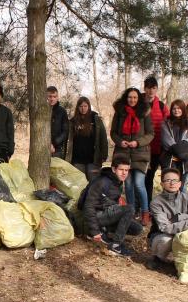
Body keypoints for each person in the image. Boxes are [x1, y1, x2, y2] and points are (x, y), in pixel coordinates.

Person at [80, 156, 143, 257]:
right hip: (96, 217)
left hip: (106, 214)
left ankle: (106, 233)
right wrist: (94, 231)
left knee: (137, 228)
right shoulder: (102, 182)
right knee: (129, 208)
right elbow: (88, 206)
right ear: (114, 169)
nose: (124, 173)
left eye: (126, 170)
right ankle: (115, 245)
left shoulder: (117, 182)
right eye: (121, 170)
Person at [110, 87, 154, 226]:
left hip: (140, 154)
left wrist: (138, 142)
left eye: (135, 97)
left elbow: (150, 134)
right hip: (123, 154)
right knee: (128, 185)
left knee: (139, 184)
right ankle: (131, 211)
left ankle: (145, 213)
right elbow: (113, 132)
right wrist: (120, 141)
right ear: (126, 98)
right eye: (130, 97)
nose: (132, 100)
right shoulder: (119, 112)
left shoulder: (144, 112)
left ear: (138, 99)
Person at [147, 168, 188, 268]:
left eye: (175, 180)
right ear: (162, 184)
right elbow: (165, 227)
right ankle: (157, 258)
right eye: (168, 180)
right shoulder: (156, 202)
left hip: (183, 232)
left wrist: (179, 217)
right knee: (166, 239)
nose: (172, 183)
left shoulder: (186, 198)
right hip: (161, 235)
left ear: (180, 184)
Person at [67, 96, 108, 180]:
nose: (83, 108)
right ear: (78, 107)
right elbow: (69, 140)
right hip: (77, 159)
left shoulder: (96, 119)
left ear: (89, 106)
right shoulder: (73, 121)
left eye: (85, 106)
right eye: (81, 106)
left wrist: (104, 155)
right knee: (80, 183)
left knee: (93, 183)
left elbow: (103, 138)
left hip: (93, 159)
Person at [142, 76, 169, 205]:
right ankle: (142, 205)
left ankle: (150, 206)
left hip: (157, 149)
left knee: (150, 177)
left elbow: (169, 126)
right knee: (141, 179)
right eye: (148, 88)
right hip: (140, 148)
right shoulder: (138, 103)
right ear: (144, 88)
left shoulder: (162, 106)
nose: (151, 91)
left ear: (157, 89)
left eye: (153, 88)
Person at [160, 99, 188, 174]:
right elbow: (166, 139)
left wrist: (185, 145)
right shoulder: (166, 122)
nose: (176, 110)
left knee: (182, 185)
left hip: (184, 160)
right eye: (174, 108)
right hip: (169, 159)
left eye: (179, 108)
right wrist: (178, 150)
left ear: (183, 109)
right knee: (169, 183)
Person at [47, 86, 69, 158]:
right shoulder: (42, 111)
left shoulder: (62, 111)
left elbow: (65, 132)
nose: (52, 99)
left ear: (57, 97)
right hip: (42, 148)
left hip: (57, 149)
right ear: (46, 96)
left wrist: (54, 144)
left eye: (54, 96)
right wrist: (47, 144)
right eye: (50, 96)